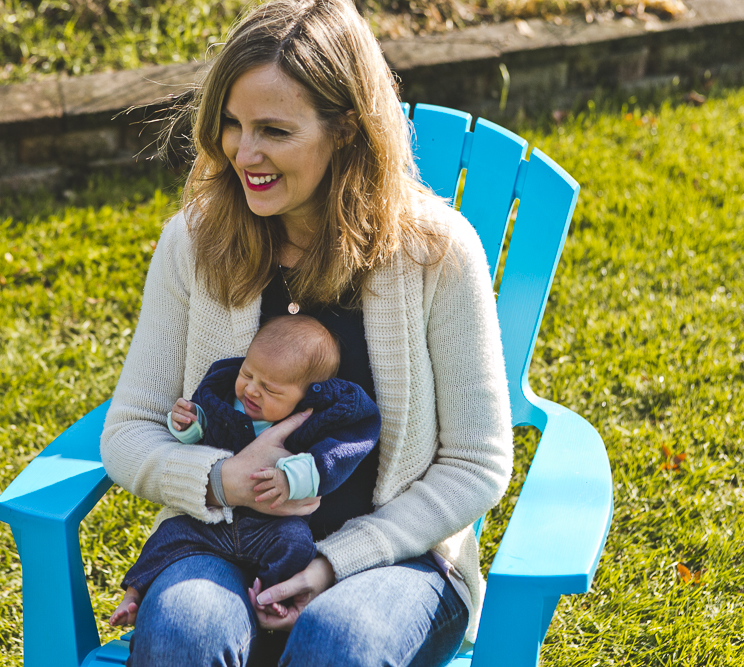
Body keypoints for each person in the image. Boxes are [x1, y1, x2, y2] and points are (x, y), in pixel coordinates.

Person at [101, 0, 514, 663]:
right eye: (232, 125)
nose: (245, 152)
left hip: (394, 560)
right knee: (183, 628)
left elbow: (477, 463)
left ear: (346, 129)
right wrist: (221, 480)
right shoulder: (195, 242)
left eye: (274, 130)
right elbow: (128, 431)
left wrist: (332, 563)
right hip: (224, 542)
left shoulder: (437, 255)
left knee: (337, 641)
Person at [110, 314, 381, 627]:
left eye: (270, 389)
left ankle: (271, 598)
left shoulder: (310, 423)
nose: (251, 391)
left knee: (295, 543)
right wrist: (186, 424)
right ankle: (133, 593)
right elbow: (202, 435)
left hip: (269, 528)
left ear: (306, 394)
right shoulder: (225, 397)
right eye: (247, 374)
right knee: (170, 534)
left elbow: (336, 453)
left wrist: (292, 478)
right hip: (214, 521)